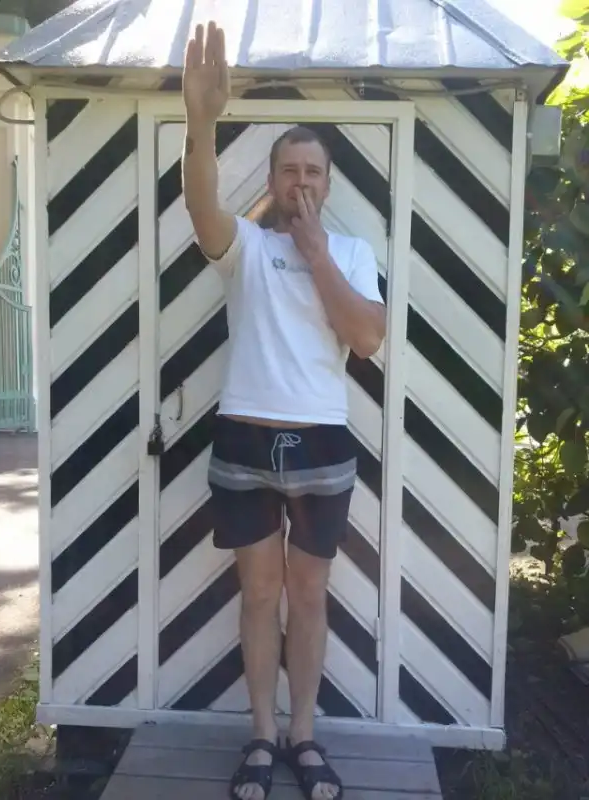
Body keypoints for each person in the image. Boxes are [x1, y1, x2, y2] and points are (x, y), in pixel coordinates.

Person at [182, 20, 386, 800]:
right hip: (243, 441)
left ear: (328, 183)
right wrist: (202, 121)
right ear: (271, 178)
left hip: (322, 448)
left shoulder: (354, 253)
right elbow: (202, 209)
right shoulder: (247, 247)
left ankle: (305, 735)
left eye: (313, 171)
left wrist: (318, 255)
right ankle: (262, 737)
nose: (301, 181)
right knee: (260, 595)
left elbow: (366, 338)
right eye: (289, 169)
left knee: (308, 596)